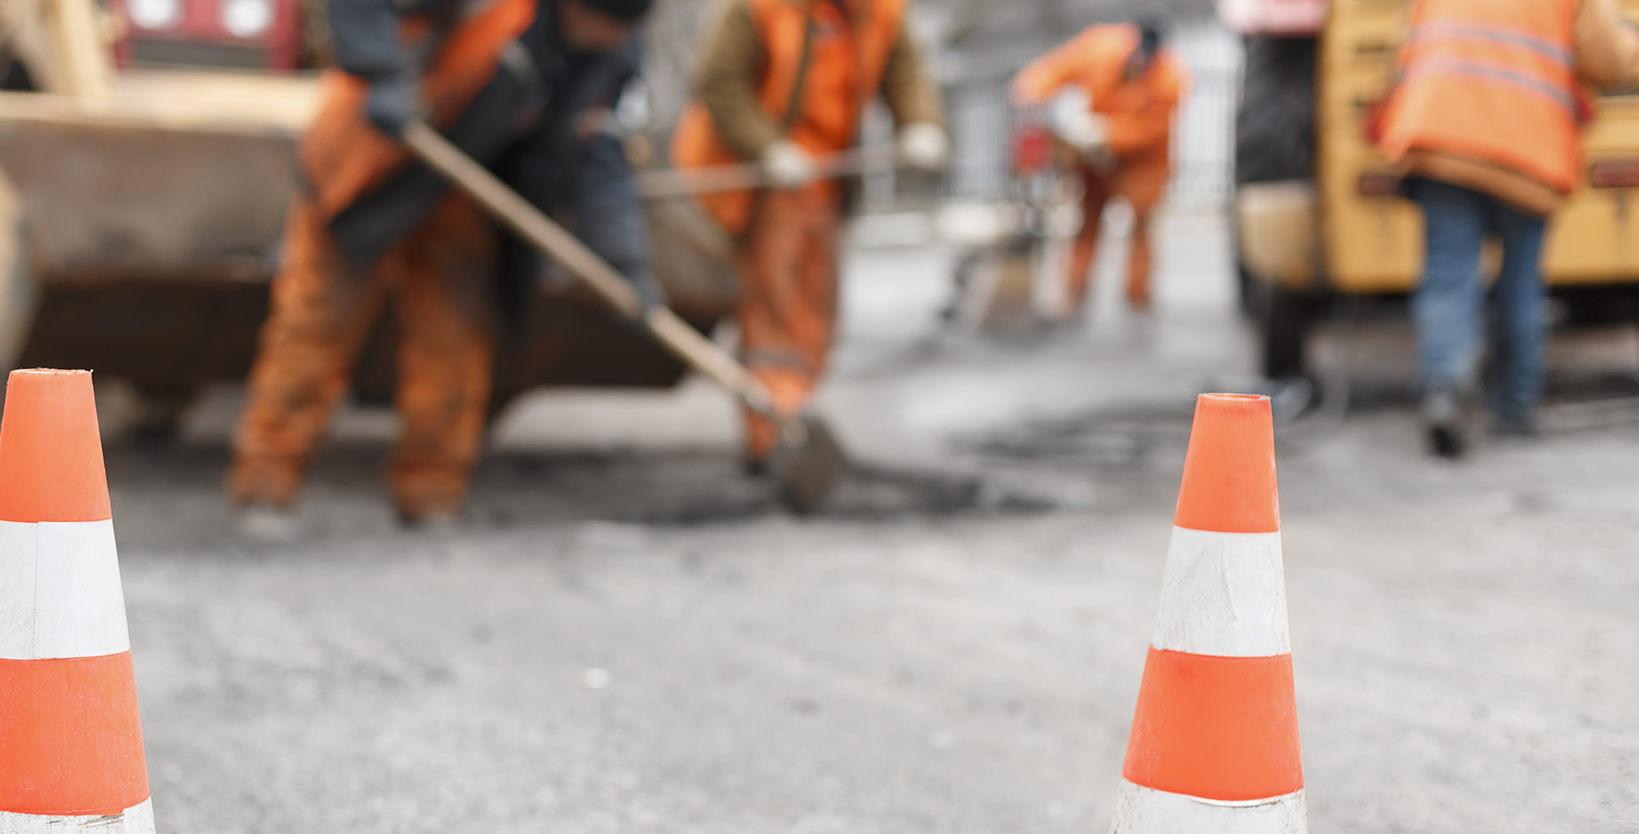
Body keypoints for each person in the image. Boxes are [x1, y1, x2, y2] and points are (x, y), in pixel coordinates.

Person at [228, 0, 657, 524]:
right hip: (370, 164)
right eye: (606, 22)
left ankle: (431, 494)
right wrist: (380, 74)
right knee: (316, 331)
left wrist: (624, 264)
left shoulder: (610, 57)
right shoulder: (493, 8)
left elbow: (598, 162)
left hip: (455, 188)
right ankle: (266, 486)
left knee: (454, 345)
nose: (613, 35)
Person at [672, 0, 950, 470]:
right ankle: (774, 434)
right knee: (774, 311)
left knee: (815, 311)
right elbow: (719, 85)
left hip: (826, 180)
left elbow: (905, 70)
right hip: (759, 180)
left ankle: (795, 417)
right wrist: (768, 148)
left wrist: (920, 124)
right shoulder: (756, 8)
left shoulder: (880, 11)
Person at [1376, 0, 1639, 456]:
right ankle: (1514, 407)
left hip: (1443, 136)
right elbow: (1611, 60)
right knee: (1520, 282)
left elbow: (1403, 53)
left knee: (1448, 276)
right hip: (1527, 148)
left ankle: (1445, 389)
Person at [1011, 17, 1186, 317]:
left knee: (1141, 228)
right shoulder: (1100, 49)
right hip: (1094, 160)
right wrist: (1032, 87)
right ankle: (1074, 296)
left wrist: (1108, 133)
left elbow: (1153, 129)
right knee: (1087, 224)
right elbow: (1060, 66)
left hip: (1141, 164)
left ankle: (1138, 297)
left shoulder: (1170, 77)